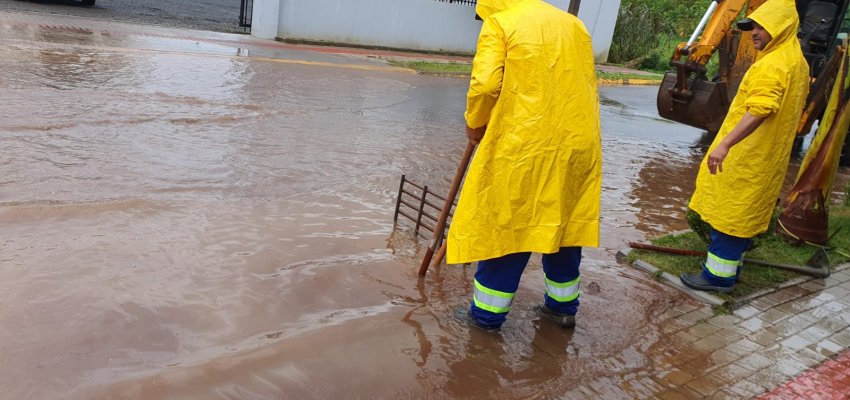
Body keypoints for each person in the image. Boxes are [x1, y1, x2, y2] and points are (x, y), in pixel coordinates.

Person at [446, 0, 602, 331]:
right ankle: (562, 308)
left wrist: (475, 124)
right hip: (576, 143)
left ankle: (486, 317)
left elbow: (486, 85)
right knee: (562, 223)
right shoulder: (575, 26)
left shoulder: (502, 23)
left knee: (508, 224)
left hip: (525, 144)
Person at [681, 0, 810, 294]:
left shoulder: (773, 64)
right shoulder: (796, 61)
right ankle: (731, 269)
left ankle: (717, 278)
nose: (753, 32)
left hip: (748, 154)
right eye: (751, 25)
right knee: (743, 214)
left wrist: (724, 144)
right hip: (767, 157)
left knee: (730, 214)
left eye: (760, 26)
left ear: (781, 26)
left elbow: (761, 108)